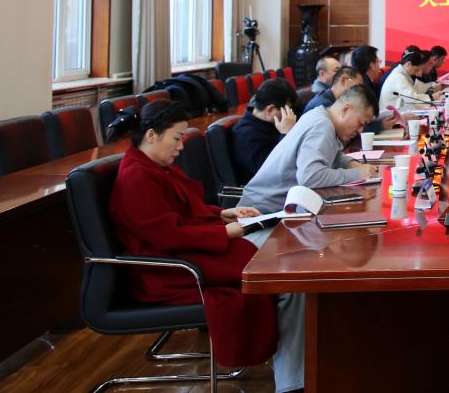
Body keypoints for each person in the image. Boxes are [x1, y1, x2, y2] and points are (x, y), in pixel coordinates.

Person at [108, 100, 303, 392]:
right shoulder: (136, 176)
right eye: (176, 138)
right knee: (281, 276)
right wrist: (224, 233)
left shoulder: (153, 165)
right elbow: (167, 235)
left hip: (189, 254)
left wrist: (222, 214)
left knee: (282, 263)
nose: (180, 147)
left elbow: (184, 212)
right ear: (151, 135)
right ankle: (292, 381)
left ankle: (294, 371)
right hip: (170, 271)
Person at [241, 86, 381, 214]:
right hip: (258, 213)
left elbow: (333, 155)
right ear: (345, 109)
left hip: (279, 207)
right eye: (361, 123)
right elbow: (311, 177)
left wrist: (352, 164)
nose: (360, 130)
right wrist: (357, 174)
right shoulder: (322, 127)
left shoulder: (321, 115)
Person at [231, 78, 298, 182]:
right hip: (266, 187)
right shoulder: (245, 135)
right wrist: (286, 135)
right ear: (270, 110)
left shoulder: (269, 123)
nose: (289, 115)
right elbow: (270, 173)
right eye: (287, 111)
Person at [379, 49, 439, 122]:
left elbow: (413, 91)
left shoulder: (403, 73)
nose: (416, 74)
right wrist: (431, 97)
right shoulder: (398, 77)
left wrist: (431, 89)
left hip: (399, 111)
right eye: (416, 70)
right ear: (408, 64)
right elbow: (412, 98)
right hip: (389, 118)